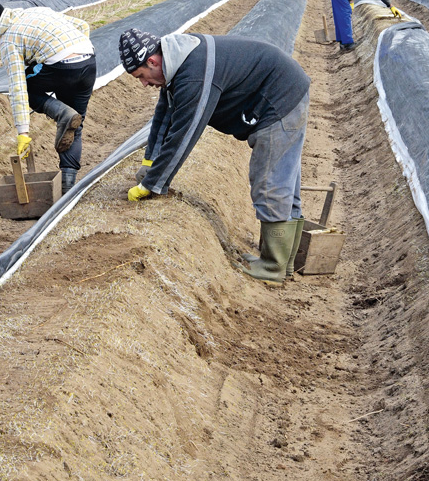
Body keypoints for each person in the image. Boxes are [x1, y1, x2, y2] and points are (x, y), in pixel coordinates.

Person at [118, 27, 310, 287]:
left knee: (270, 181)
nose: (144, 84)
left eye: (141, 76)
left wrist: (153, 184)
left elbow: (184, 135)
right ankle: (282, 264)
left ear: (153, 61)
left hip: (279, 101)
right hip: (284, 90)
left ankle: (273, 266)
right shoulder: (179, 60)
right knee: (284, 178)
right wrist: (149, 163)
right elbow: (164, 115)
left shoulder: (194, 76)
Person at [0, 0, 96, 194]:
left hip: (60, 66)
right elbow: (82, 26)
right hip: (88, 62)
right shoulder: (36, 12)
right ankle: (67, 189)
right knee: (74, 126)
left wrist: (23, 132)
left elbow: (18, 86)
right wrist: (76, 54)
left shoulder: (8, 40)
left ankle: (63, 113)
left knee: (26, 86)